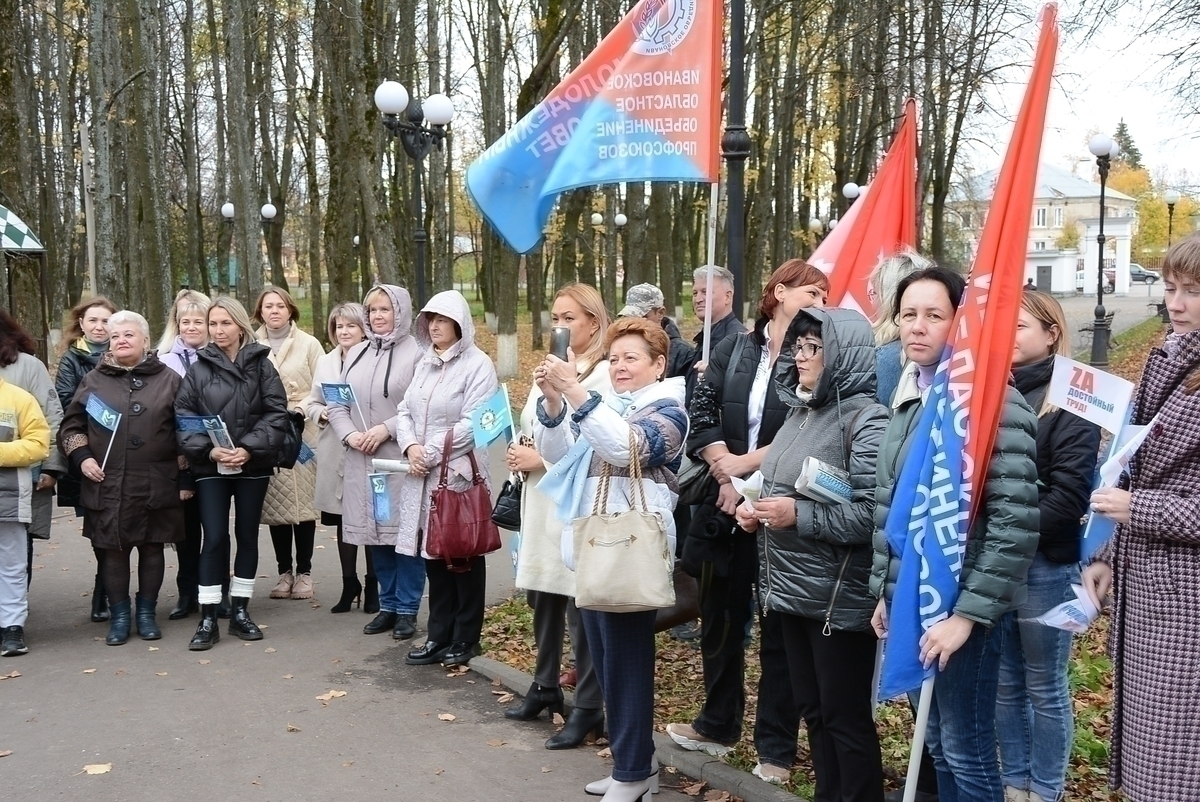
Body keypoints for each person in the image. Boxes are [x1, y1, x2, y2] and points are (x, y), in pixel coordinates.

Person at [870, 266, 1038, 802]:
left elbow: (1013, 523)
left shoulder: (993, 403)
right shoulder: (912, 394)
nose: (917, 327)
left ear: (962, 324)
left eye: (934, 316)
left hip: (962, 606)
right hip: (913, 602)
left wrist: (966, 617)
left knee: (965, 747)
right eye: (908, 315)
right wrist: (886, 591)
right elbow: (892, 504)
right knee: (937, 746)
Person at [668, 258, 826, 784]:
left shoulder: (817, 355)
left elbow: (814, 427)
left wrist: (746, 471)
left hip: (782, 513)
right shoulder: (738, 347)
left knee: (779, 632)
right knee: (720, 617)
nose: (821, 301)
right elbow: (703, 408)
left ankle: (776, 750)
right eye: (813, 291)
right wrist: (726, 475)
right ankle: (717, 723)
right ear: (780, 292)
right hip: (725, 504)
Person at [731, 307, 890, 802]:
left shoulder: (868, 420)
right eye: (797, 347)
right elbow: (780, 485)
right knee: (815, 712)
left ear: (841, 355)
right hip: (790, 591)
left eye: (813, 348)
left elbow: (869, 517)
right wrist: (754, 509)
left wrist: (797, 515)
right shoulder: (801, 413)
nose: (800, 357)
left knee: (844, 719)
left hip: (837, 599)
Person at [535, 317, 688, 802]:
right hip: (597, 551)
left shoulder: (668, 410)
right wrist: (557, 401)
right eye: (614, 358)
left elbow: (628, 449)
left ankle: (631, 773)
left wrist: (578, 394)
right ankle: (636, 765)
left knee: (626, 666)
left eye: (632, 358)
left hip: (630, 555)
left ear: (658, 365)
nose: (620, 367)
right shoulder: (607, 405)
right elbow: (560, 455)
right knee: (608, 663)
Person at [1082, 237, 1200, 802]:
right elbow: (1129, 461)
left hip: (1187, 601)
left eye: (1193, 292)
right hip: (1148, 585)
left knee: (1176, 766)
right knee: (1152, 759)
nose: (1176, 304)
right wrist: (1105, 552)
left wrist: (1139, 510)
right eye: (1171, 288)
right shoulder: (1170, 358)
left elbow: (1145, 491)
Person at [996, 291, 1100, 802]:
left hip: (1042, 564)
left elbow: (1070, 496)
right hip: (994, 563)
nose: (1008, 336)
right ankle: (1014, 783)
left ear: (1051, 332)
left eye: (1019, 326)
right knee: (1004, 682)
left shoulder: (1072, 399)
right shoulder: (991, 388)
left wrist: (1005, 526)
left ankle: (1046, 788)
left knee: (1044, 685)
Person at [504, 282, 609, 749]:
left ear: (593, 320)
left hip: (575, 499)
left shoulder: (602, 372)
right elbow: (535, 421)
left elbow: (594, 441)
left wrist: (542, 461)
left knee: (576, 602)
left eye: (570, 318)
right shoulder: (547, 368)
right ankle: (544, 684)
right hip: (540, 499)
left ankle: (588, 703)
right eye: (556, 318)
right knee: (542, 595)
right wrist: (522, 449)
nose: (561, 326)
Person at [59, 311, 189, 645]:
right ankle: (119, 616)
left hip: (156, 481)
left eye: (128, 335)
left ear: (145, 340)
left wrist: (185, 474)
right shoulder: (94, 380)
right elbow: (72, 427)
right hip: (107, 482)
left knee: (151, 546)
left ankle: (146, 614)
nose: (121, 341)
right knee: (112, 550)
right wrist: (82, 458)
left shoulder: (169, 379)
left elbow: (186, 431)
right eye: (115, 336)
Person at [175, 297, 290, 650]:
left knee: (247, 537)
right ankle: (209, 616)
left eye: (225, 323)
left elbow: (276, 413)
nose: (218, 330)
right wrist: (209, 450)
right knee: (213, 538)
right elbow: (183, 417)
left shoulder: (262, 366)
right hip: (211, 466)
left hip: (251, 465)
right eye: (213, 324)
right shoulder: (198, 369)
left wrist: (248, 449)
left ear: (240, 326)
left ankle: (240, 611)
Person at [395, 290, 499, 668]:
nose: (434, 326)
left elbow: (475, 422)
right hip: (422, 474)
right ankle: (438, 634)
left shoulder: (478, 365)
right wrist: (409, 447)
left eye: (442, 319)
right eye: (429, 320)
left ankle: (467, 638)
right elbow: (404, 410)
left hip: (457, 475)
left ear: (459, 323)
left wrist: (431, 452)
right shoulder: (425, 362)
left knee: (463, 553)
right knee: (434, 554)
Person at [327, 285, 421, 637]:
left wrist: (386, 429)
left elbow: (419, 407)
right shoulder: (357, 353)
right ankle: (389, 605)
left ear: (401, 311)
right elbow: (336, 401)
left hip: (398, 458)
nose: (378, 316)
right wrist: (349, 435)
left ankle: (409, 608)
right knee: (377, 532)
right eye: (373, 310)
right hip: (363, 459)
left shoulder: (418, 353)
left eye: (386, 309)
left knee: (404, 534)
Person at [254, 286, 325, 601]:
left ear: (290, 309)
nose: (274, 311)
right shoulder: (251, 344)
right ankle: (284, 573)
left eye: (280, 305)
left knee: (304, 504)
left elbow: (322, 383)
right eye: (268, 306)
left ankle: (305, 572)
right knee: (276, 502)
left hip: (304, 429)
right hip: (267, 430)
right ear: (260, 311)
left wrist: (302, 405)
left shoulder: (309, 344)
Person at [54, 295, 117, 623]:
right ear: (81, 324)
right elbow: (67, 399)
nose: (99, 326)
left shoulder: (124, 352)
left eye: (106, 321)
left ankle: (112, 588)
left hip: (123, 451)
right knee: (97, 522)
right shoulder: (72, 359)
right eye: (93, 320)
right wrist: (104, 414)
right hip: (86, 449)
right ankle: (102, 587)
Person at [304, 302, 370, 613]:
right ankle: (349, 583)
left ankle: (374, 586)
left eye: (351, 326)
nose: (344, 332)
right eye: (339, 327)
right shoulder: (327, 362)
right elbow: (313, 402)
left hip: (369, 445)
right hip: (335, 448)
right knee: (344, 520)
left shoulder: (375, 359)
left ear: (363, 329)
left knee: (371, 518)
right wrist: (323, 414)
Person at [158, 290, 216, 620]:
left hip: (212, 452)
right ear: (176, 324)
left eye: (199, 321)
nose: (192, 327)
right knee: (186, 528)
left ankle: (216, 588)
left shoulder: (218, 358)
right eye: (185, 321)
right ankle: (186, 591)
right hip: (177, 455)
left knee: (215, 527)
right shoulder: (162, 359)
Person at [0, 309, 66, 585]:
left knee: (17, 544)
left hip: (23, 474)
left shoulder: (27, 366)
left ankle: (13, 615)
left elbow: (53, 419)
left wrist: (52, 467)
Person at [0, 375, 50, 657]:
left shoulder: (19, 398)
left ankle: (12, 628)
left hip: (7, 496)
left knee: (12, 564)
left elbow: (38, 445)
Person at [868, 250, 931, 407]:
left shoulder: (885, 358)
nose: (872, 301)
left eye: (874, 292)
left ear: (888, 298)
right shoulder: (948, 352)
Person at [687, 265, 743, 399]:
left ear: (727, 297)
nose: (698, 299)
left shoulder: (738, 341)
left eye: (705, 292)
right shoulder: (705, 338)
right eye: (695, 293)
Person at [619, 283, 692, 378]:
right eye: (630, 317)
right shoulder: (621, 346)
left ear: (660, 313)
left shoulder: (682, 353)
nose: (635, 323)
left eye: (643, 317)